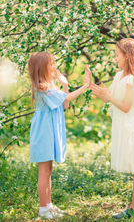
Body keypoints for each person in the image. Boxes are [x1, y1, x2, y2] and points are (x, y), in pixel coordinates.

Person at [90, 38, 134, 219]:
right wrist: (92, 85)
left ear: (128, 56)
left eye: (117, 55)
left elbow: (125, 106)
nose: (115, 59)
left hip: (132, 126)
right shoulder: (119, 76)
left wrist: (108, 97)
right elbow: (108, 96)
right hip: (123, 125)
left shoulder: (131, 80)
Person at [28, 52, 91, 219]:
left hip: (49, 130)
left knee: (48, 169)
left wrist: (64, 84)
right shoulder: (42, 86)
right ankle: (43, 209)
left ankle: (48, 206)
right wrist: (85, 86)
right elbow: (68, 99)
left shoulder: (50, 85)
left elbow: (65, 105)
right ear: (42, 68)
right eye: (50, 64)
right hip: (43, 132)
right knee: (44, 171)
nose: (54, 67)